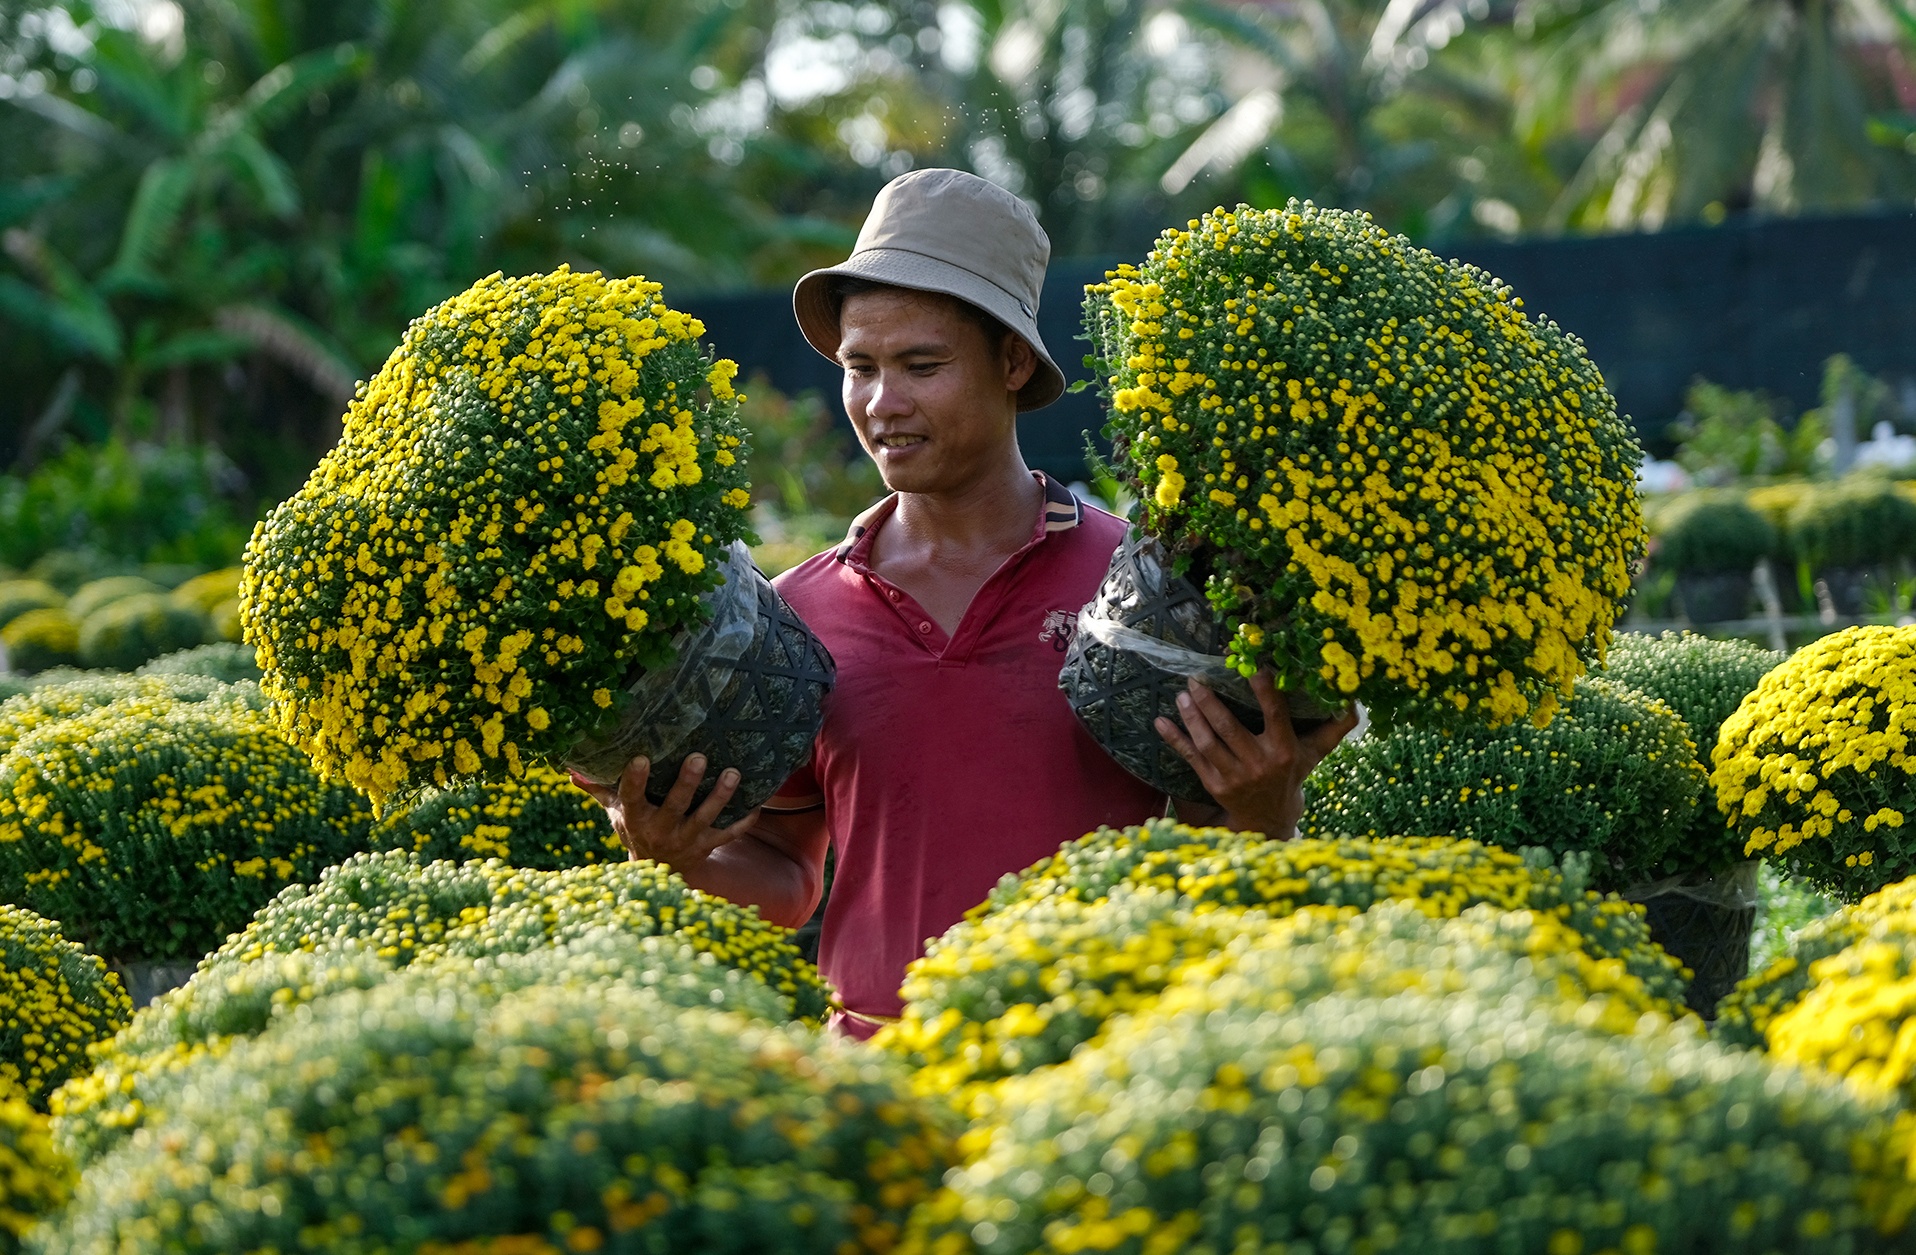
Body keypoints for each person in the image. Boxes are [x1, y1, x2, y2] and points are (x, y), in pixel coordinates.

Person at [574, 168, 1358, 1034]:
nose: (881, 403)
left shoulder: (1147, 590)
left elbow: (1220, 851)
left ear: (1013, 361)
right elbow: (784, 879)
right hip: (879, 1080)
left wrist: (1264, 811)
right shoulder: (792, 619)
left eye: (922, 364)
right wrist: (677, 858)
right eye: (858, 366)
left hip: (1097, 1058)